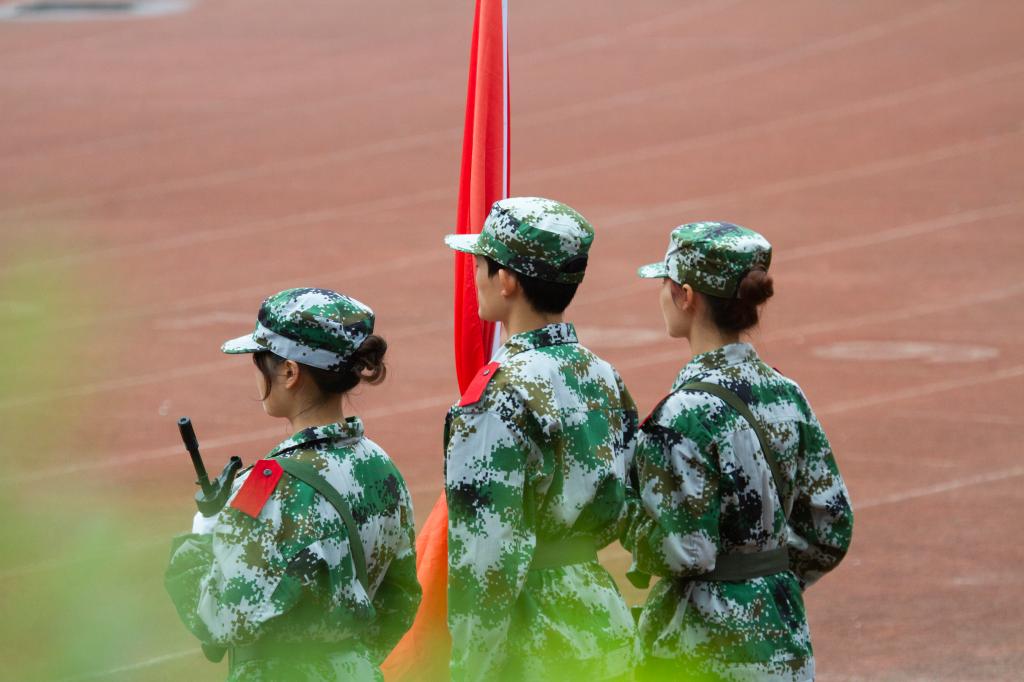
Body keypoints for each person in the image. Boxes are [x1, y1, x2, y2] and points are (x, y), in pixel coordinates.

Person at [624, 222, 854, 681]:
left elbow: (684, 549)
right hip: (781, 639)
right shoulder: (786, 393)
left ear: (686, 296)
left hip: (699, 651)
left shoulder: (683, 412)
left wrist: (624, 519)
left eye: (665, 283)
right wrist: (766, 576)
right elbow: (832, 524)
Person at [165, 287, 421, 682]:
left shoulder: (265, 487)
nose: (256, 373)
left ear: (289, 372)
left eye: (260, 360)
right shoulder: (381, 468)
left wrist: (202, 537)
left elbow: (218, 619)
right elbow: (400, 599)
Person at [442, 197, 638, 682]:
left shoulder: (498, 394)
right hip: (603, 618)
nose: (474, 275)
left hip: (532, 640)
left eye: (480, 263)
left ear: (508, 280)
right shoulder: (601, 374)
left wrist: (470, 670)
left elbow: (486, 558)